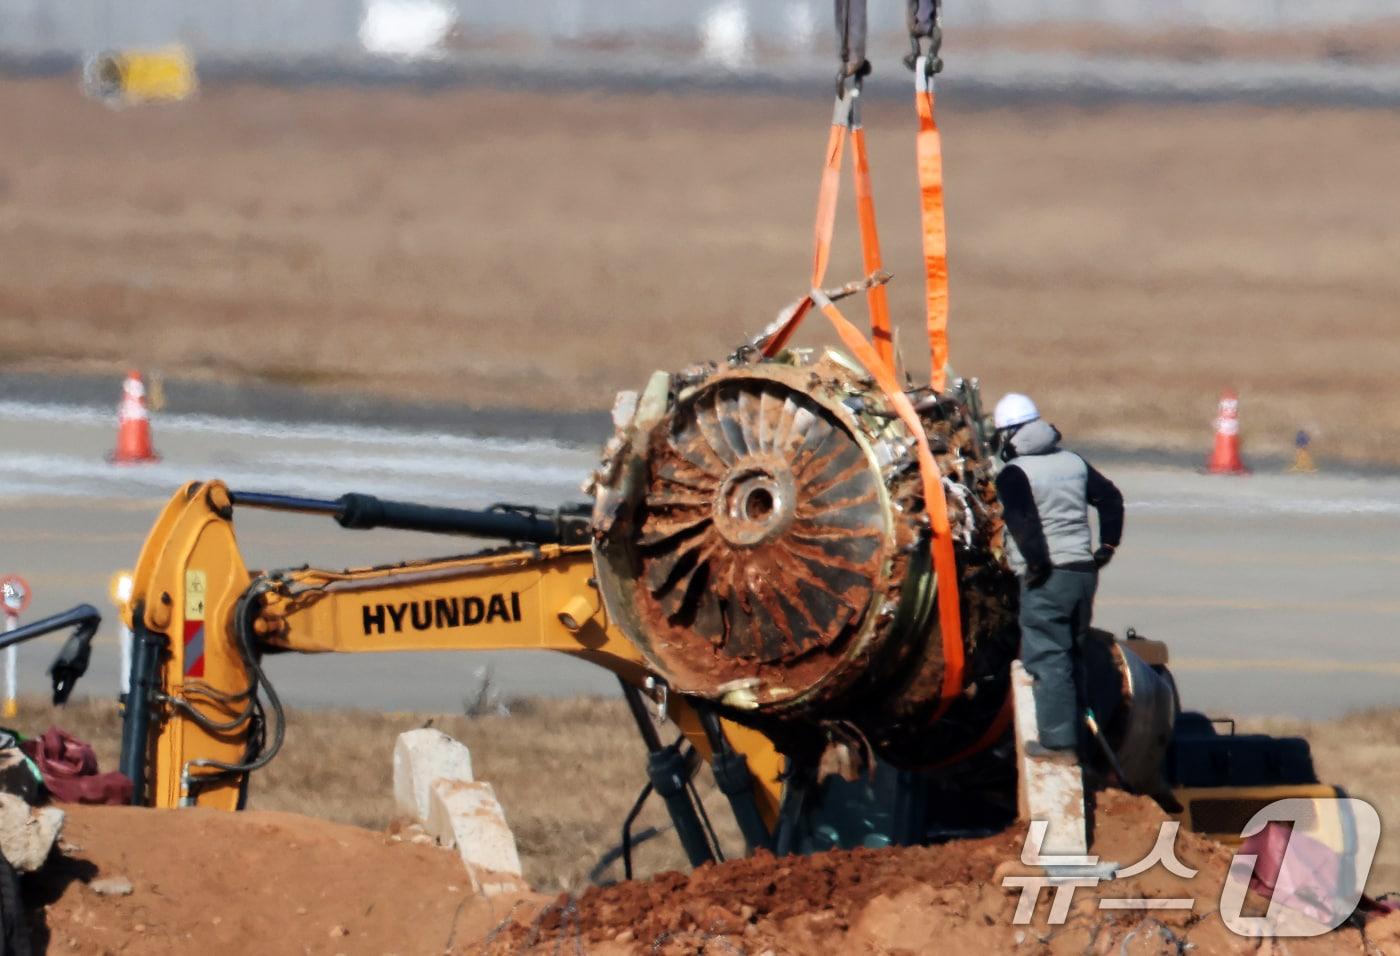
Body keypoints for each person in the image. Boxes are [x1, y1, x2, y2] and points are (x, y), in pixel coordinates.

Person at [992, 393, 1124, 760]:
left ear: (1009, 435)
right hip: (1083, 573)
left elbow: (1022, 522)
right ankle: (1081, 739)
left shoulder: (1014, 473)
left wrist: (1035, 563)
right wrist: (1108, 545)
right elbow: (1111, 498)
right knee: (1072, 654)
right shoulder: (1073, 462)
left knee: (1048, 658)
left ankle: (1058, 744)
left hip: (1049, 578)